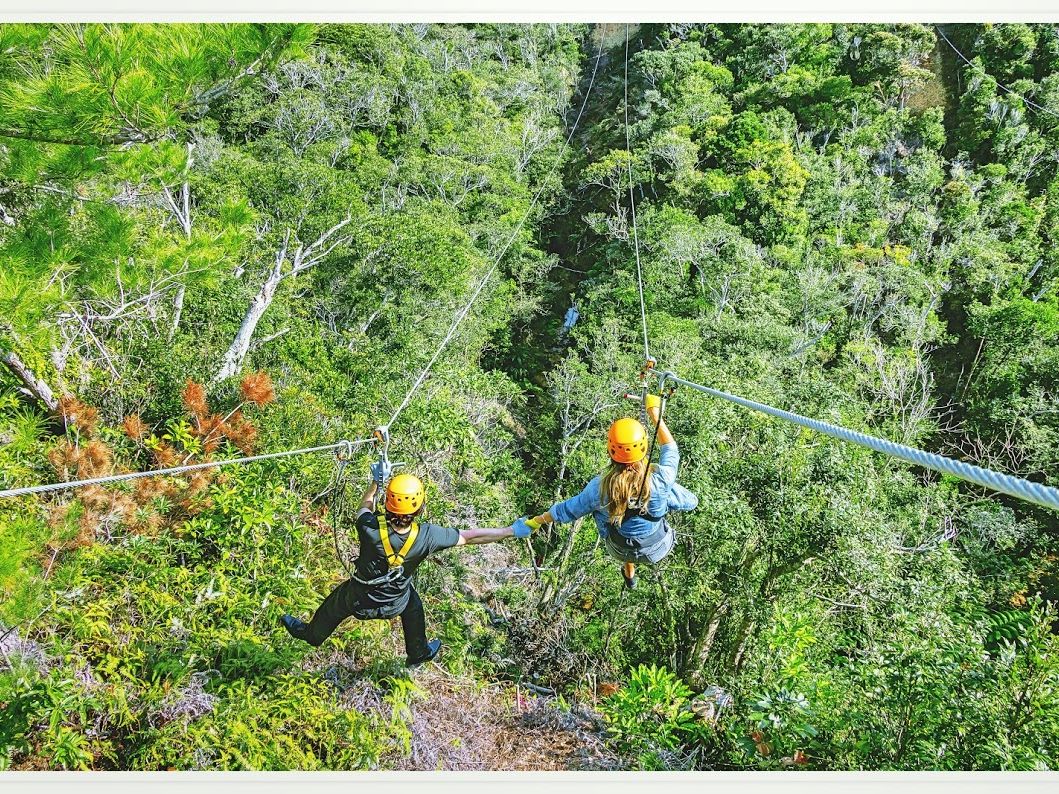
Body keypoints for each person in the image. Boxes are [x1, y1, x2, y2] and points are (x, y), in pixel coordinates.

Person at [282, 469, 531, 666]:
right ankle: (418, 653)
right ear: (419, 507)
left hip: (358, 600)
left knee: (335, 602)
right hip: (395, 603)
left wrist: (376, 483)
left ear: (389, 504)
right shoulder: (428, 536)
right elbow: (469, 536)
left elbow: (365, 506)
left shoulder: (368, 527)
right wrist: (511, 531)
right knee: (413, 605)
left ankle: (311, 635)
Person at [513, 393, 697, 589]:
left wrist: (534, 522)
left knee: (602, 510)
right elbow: (670, 449)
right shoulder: (660, 478)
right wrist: (654, 413)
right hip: (657, 549)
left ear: (610, 450)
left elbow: (567, 510)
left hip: (618, 549)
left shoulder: (599, 488)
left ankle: (629, 568)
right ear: (643, 447)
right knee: (665, 493)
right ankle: (691, 501)